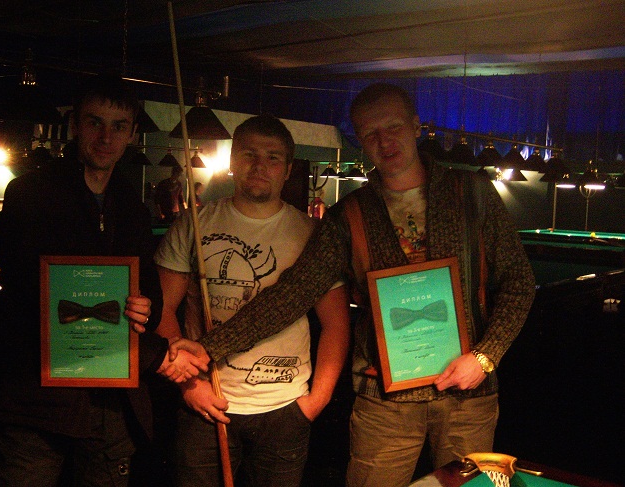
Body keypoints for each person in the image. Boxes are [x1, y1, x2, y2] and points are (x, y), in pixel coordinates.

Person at [173, 83, 536, 487]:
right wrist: (209, 347)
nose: (384, 141)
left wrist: (485, 357)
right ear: (360, 140)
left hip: (469, 396)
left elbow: (519, 282)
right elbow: (293, 294)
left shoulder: (473, 193)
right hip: (384, 401)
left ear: (416, 126)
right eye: (370, 133)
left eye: (393, 127)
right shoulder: (348, 214)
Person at [0, 74, 209, 487]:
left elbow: (150, 298)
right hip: (38, 399)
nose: (106, 137)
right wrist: (158, 356)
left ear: (131, 134)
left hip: (112, 400)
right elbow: (28, 301)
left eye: (118, 126)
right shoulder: (29, 195)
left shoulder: (133, 207)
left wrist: (144, 306)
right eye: (95, 122)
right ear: (76, 124)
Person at [153, 114, 350, 486]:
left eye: (273, 158)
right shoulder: (193, 224)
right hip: (206, 400)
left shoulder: (313, 234)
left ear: (288, 169)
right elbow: (162, 309)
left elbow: (336, 325)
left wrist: (315, 402)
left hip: (285, 409)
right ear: (232, 161)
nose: (260, 166)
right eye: (249, 154)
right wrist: (189, 386)